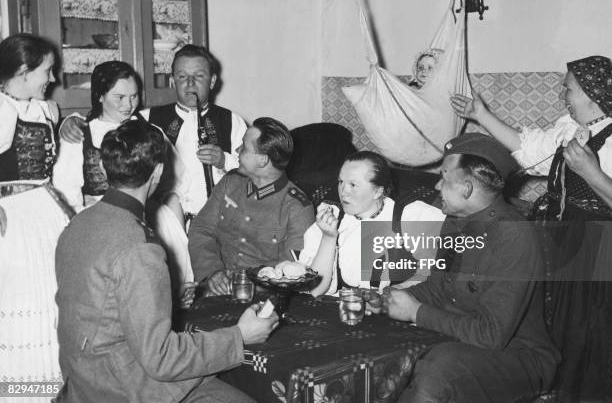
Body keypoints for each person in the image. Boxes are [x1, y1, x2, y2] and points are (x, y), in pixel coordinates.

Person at [55, 120, 278, 402]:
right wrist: (240, 335)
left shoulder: (76, 224)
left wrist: (167, 297)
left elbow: (101, 306)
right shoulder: (139, 248)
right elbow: (161, 358)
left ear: (102, 167)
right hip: (124, 389)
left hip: (83, 381)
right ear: (158, 172)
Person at [451, 55, 612, 402]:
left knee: (579, 328)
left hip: (595, 249)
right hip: (555, 237)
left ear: (590, 94)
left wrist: (592, 173)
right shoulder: (568, 127)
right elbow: (528, 146)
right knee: (543, 319)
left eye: (568, 88)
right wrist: (482, 115)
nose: (562, 95)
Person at [380, 133, 559, 403]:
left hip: (518, 355)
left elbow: (490, 335)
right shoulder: (455, 223)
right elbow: (438, 287)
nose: (437, 185)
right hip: (462, 339)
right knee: (383, 342)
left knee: (439, 370)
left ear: (465, 188)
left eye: (443, 177)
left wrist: (415, 311)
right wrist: (388, 298)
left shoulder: (513, 236)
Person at [53, 60, 194, 300]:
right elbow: (65, 190)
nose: (128, 105)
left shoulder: (150, 132)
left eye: (133, 96)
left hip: (144, 214)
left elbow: (176, 179)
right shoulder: (80, 133)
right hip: (97, 218)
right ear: (100, 96)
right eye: (119, 97)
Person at [59, 44, 248, 221]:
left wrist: (225, 161)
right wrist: (70, 122)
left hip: (219, 221)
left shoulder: (232, 121)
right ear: (172, 81)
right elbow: (106, 119)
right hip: (158, 218)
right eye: (182, 77)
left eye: (199, 76)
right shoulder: (146, 119)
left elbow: (255, 172)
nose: (190, 84)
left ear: (212, 80)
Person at [0, 33, 70, 386]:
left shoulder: (45, 108)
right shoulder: (1, 111)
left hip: (45, 211)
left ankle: (51, 387)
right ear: (24, 71)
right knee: (23, 304)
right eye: (47, 71)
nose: (52, 79)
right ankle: (23, 388)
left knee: (53, 303)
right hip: (15, 223)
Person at [188, 117, 315, 295]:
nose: (238, 150)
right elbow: (201, 229)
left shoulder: (297, 208)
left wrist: (242, 286)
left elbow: (291, 274)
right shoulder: (230, 183)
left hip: (262, 298)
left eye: (244, 147)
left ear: (263, 160)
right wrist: (212, 273)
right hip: (213, 288)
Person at [299, 151, 445, 297]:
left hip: (396, 312)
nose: (343, 192)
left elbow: (436, 275)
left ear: (377, 192)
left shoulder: (409, 217)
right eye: (340, 182)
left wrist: (388, 295)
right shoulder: (331, 218)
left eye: (353, 185)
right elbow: (315, 290)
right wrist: (328, 237)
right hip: (341, 312)